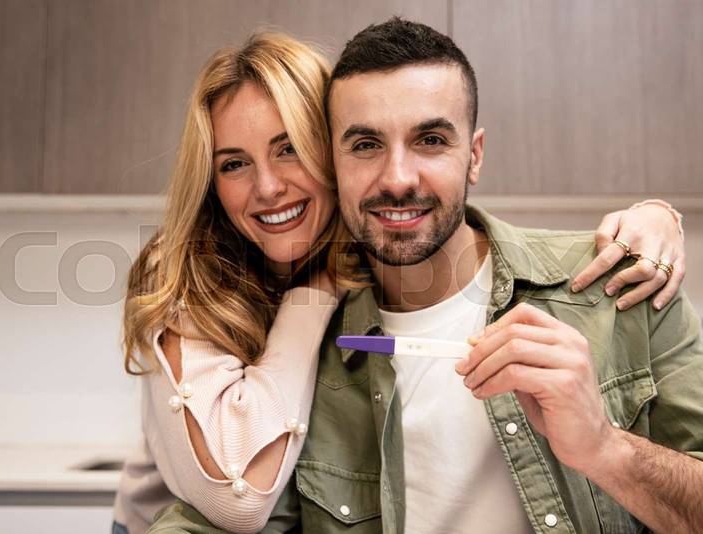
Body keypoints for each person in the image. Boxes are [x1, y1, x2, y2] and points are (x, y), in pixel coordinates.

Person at [114, 26, 693, 534]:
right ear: (338, 161)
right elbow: (224, 510)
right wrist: (314, 296)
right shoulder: (251, 305)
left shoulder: (624, 285)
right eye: (365, 144)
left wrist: (606, 448)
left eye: (431, 140)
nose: (397, 178)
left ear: (475, 153)